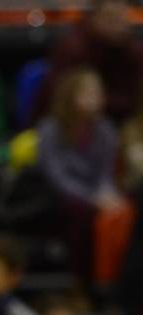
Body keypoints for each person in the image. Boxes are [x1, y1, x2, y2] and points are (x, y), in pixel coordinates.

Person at [37, 68, 126, 282]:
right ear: (71, 96)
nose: (95, 98)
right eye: (88, 93)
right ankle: (78, 280)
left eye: (98, 93)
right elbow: (56, 176)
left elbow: (106, 173)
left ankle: (111, 279)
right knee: (81, 214)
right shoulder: (50, 129)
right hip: (58, 196)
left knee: (121, 212)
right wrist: (92, 198)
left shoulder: (106, 130)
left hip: (93, 196)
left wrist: (107, 196)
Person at [36, 0, 143, 124]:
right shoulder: (74, 49)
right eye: (111, 18)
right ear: (94, 17)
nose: (119, 24)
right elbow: (60, 99)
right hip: (74, 124)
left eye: (123, 17)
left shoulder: (133, 51)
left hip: (122, 123)